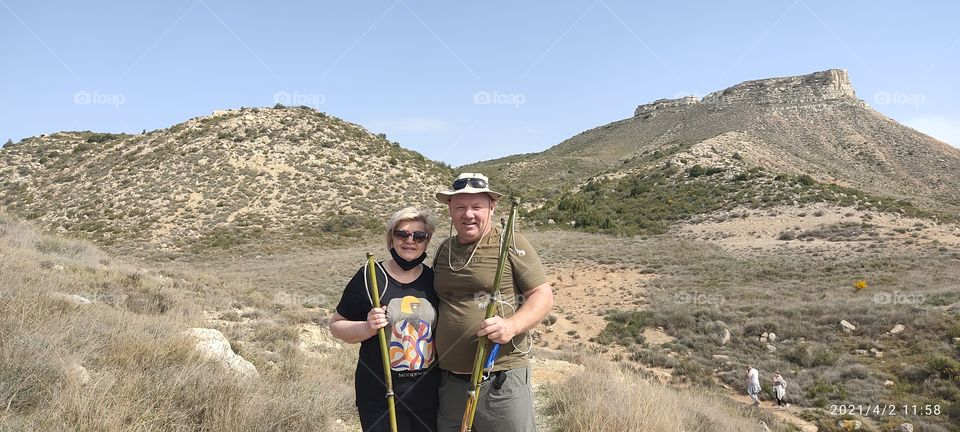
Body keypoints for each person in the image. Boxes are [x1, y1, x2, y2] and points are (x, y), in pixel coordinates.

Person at [432, 173, 554, 432]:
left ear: (491, 207)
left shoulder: (510, 243)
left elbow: (542, 295)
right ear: (450, 209)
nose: (468, 214)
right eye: (461, 207)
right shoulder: (444, 249)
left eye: (476, 206)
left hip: (499, 380)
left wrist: (511, 326)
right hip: (450, 382)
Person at [330, 207, 440, 432]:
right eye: (402, 234)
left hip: (428, 396)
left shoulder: (435, 279)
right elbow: (337, 325)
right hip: (380, 398)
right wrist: (367, 327)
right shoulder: (369, 275)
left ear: (427, 242)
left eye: (419, 236)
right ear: (391, 238)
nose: (410, 241)